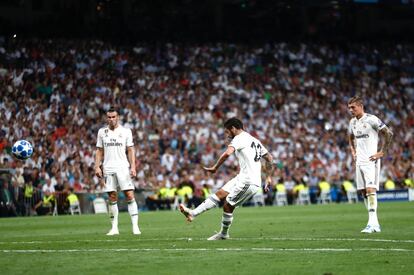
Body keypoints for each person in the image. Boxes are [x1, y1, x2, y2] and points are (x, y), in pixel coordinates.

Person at [179, 118, 274, 240]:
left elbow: (227, 153)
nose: (227, 134)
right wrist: (269, 177)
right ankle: (193, 213)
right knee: (219, 193)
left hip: (249, 181)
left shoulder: (239, 139)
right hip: (242, 177)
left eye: (227, 131)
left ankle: (224, 234)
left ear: (233, 128)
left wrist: (215, 167)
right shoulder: (254, 140)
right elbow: (269, 158)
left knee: (228, 205)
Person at [348, 96, 393, 233]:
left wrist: (382, 152)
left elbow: (389, 133)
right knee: (363, 192)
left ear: (361, 106)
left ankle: (372, 223)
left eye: (353, 107)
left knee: (370, 190)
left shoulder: (372, 119)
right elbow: (350, 137)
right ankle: (374, 223)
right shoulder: (352, 122)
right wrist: (353, 151)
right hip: (359, 162)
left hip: (371, 160)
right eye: (349, 108)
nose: (351, 110)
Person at [95, 107, 141, 235]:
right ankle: (114, 228)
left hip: (122, 167)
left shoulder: (126, 131)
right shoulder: (101, 132)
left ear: (118, 117)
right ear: (106, 118)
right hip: (108, 168)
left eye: (113, 117)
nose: (111, 119)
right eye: (109, 117)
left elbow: (131, 149)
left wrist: (133, 167)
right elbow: (99, 150)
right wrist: (97, 166)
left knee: (129, 195)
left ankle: (135, 227)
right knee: (112, 197)